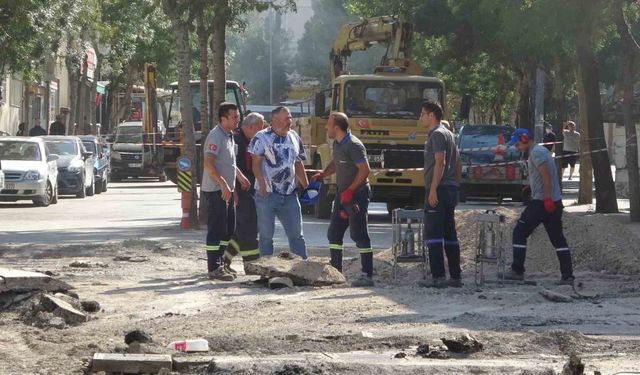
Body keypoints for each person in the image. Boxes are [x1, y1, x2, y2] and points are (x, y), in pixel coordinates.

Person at [503, 128, 574, 285]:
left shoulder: (536, 153)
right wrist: (531, 187)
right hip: (552, 202)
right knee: (558, 239)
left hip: (543, 203)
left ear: (524, 139)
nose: (516, 147)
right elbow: (543, 176)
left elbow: (546, 176)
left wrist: (547, 198)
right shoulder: (540, 151)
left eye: (517, 144)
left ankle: (517, 271)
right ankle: (567, 275)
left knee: (519, 232)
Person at [312, 112, 374, 287]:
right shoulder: (338, 143)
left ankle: (367, 274)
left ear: (337, 128)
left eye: (328, 124)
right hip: (342, 195)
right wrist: (324, 173)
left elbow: (364, 170)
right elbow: (336, 161)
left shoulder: (354, 145)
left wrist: (351, 190)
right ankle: (336, 271)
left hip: (357, 195)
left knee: (359, 234)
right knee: (334, 233)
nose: (326, 127)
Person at [249, 106, 309, 259]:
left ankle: (302, 268)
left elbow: (298, 162)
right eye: (286, 118)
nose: (290, 121)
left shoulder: (294, 136)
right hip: (267, 195)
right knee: (266, 236)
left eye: (290, 118)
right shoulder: (261, 137)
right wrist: (262, 184)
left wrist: (306, 185)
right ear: (275, 120)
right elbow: (255, 164)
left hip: (290, 195)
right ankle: (266, 270)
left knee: (297, 235)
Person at [202, 102, 250, 281]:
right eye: (234, 117)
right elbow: (208, 163)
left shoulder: (230, 136)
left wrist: (240, 177)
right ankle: (213, 268)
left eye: (238, 116)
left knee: (228, 230)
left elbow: (230, 163)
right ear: (223, 119)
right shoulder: (215, 136)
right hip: (216, 190)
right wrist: (222, 184)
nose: (238, 119)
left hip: (227, 191)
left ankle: (221, 264)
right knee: (216, 230)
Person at [419, 100, 462, 288]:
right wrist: (456, 185)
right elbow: (458, 164)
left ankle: (438, 276)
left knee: (434, 233)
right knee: (449, 232)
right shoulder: (450, 134)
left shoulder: (436, 134)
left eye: (422, 114)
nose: (420, 118)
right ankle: (455, 276)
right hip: (450, 188)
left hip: (440, 188)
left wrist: (434, 189)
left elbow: (440, 162)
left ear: (431, 115)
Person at [222, 112, 265, 274]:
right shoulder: (236, 140)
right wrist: (235, 192)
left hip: (250, 190)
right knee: (249, 230)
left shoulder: (250, 141)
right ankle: (252, 265)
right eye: (260, 128)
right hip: (240, 191)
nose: (262, 132)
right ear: (251, 126)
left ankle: (225, 259)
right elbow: (229, 165)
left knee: (242, 229)